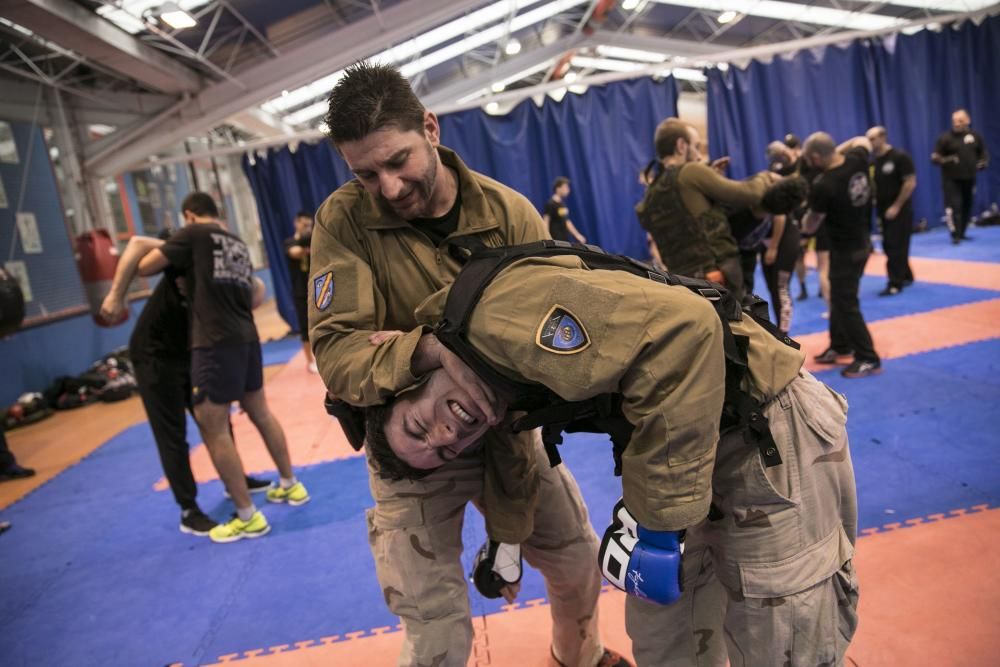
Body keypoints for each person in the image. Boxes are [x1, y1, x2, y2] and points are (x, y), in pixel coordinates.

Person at [366, 243, 859, 667]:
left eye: (418, 425)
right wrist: (508, 542)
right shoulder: (484, 385)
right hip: (669, 454)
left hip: (763, 429)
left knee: (784, 643)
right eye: (448, 448)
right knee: (664, 641)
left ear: (414, 372)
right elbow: (514, 461)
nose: (447, 431)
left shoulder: (490, 321)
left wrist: (660, 524)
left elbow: (689, 331)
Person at [308, 62, 628, 667]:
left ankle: (577, 654)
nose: (390, 187)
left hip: (511, 437)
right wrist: (432, 350)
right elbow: (339, 354)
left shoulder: (510, 216)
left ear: (430, 128)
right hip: (411, 448)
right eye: (367, 174)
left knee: (577, 561)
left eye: (398, 161)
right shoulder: (344, 221)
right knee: (432, 621)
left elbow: (560, 338)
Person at [135, 193, 309, 544]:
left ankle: (247, 517)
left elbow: (141, 263)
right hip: (246, 336)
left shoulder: (194, 234)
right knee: (259, 411)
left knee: (211, 427)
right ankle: (291, 485)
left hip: (213, 341)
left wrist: (112, 297)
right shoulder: (234, 243)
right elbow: (257, 294)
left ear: (189, 216)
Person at [100, 230, 274, 537]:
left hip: (190, 351)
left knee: (216, 420)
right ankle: (188, 509)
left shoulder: (213, 263)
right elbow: (138, 244)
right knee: (173, 433)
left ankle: (235, 481)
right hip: (154, 355)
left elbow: (257, 290)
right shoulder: (187, 253)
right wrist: (117, 296)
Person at [637, 117, 778, 301]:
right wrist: (765, 177)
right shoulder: (690, 172)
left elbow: (686, 219)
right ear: (681, 145)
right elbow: (750, 194)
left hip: (683, 285)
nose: (698, 156)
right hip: (718, 277)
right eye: (696, 146)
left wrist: (708, 177)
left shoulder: (650, 197)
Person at [802, 133, 882, 378]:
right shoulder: (856, 160)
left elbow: (812, 224)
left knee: (846, 302)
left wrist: (802, 227)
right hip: (862, 243)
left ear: (816, 157)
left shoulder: (825, 184)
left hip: (845, 249)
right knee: (838, 297)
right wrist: (834, 150)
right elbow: (863, 140)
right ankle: (841, 345)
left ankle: (868, 357)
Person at [728, 176, 808, 333]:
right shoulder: (759, 188)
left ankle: (784, 334)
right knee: (769, 287)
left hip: (781, 238)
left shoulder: (776, 207)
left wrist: (774, 247)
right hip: (758, 243)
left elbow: (779, 216)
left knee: (780, 287)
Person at [866, 126, 917, 296]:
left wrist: (896, 206)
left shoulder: (899, 157)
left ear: (883, 137)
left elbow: (910, 182)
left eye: (873, 138)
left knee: (896, 245)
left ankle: (895, 283)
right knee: (889, 245)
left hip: (900, 209)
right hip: (882, 210)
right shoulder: (873, 162)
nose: (870, 143)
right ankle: (906, 275)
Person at [932, 108, 989, 244]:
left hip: (969, 177)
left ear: (968, 121)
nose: (957, 123)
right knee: (954, 207)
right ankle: (955, 234)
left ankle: (962, 232)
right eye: (954, 121)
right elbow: (935, 158)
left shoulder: (975, 136)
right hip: (951, 179)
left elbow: (983, 153)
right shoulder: (945, 138)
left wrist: (983, 162)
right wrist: (948, 160)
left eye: (960, 121)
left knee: (967, 205)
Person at [284, 211, 317, 372]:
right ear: (296, 223)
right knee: (305, 327)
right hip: (300, 291)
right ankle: (310, 362)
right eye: (303, 224)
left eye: (309, 225)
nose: (306, 228)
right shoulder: (290, 242)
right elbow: (294, 253)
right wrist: (306, 247)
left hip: (318, 289)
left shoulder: (316, 240)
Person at [543, 177, 587, 244]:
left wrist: (577, 235)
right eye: (565, 187)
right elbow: (546, 221)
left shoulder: (562, 204)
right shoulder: (550, 204)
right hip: (555, 240)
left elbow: (567, 221)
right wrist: (546, 238)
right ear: (558, 188)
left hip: (564, 239)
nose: (568, 190)